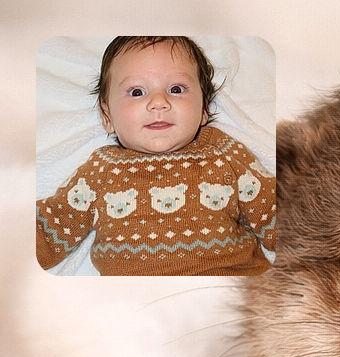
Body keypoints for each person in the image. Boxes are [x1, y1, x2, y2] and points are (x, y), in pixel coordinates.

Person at [35, 36, 275, 276]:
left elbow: (275, 212)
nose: (159, 102)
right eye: (137, 92)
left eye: (176, 89)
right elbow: (51, 228)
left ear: (203, 109)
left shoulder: (223, 153)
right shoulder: (100, 171)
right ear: (107, 117)